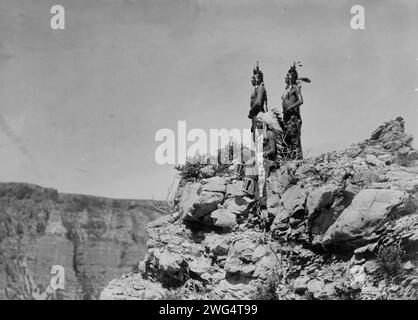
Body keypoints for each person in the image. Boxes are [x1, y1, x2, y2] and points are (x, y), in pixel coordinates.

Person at [281, 61, 309, 160]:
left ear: (291, 77)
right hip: (286, 117)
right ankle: (290, 159)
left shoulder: (295, 88)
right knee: (287, 138)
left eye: (287, 75)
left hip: (293, 117)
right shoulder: (287, 89)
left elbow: (301, 100)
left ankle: (298, 160)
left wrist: (290, 107)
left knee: (294, 139)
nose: (285, 77)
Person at [248, 62, 267, 141]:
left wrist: (250, 112)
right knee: (256, 139)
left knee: (258, 140)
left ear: (258, 78)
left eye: (253, 77)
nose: (251, 79)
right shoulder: (257, 88)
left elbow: (258, 102)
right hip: (255, 116)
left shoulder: (260, 87)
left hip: (258, 115)